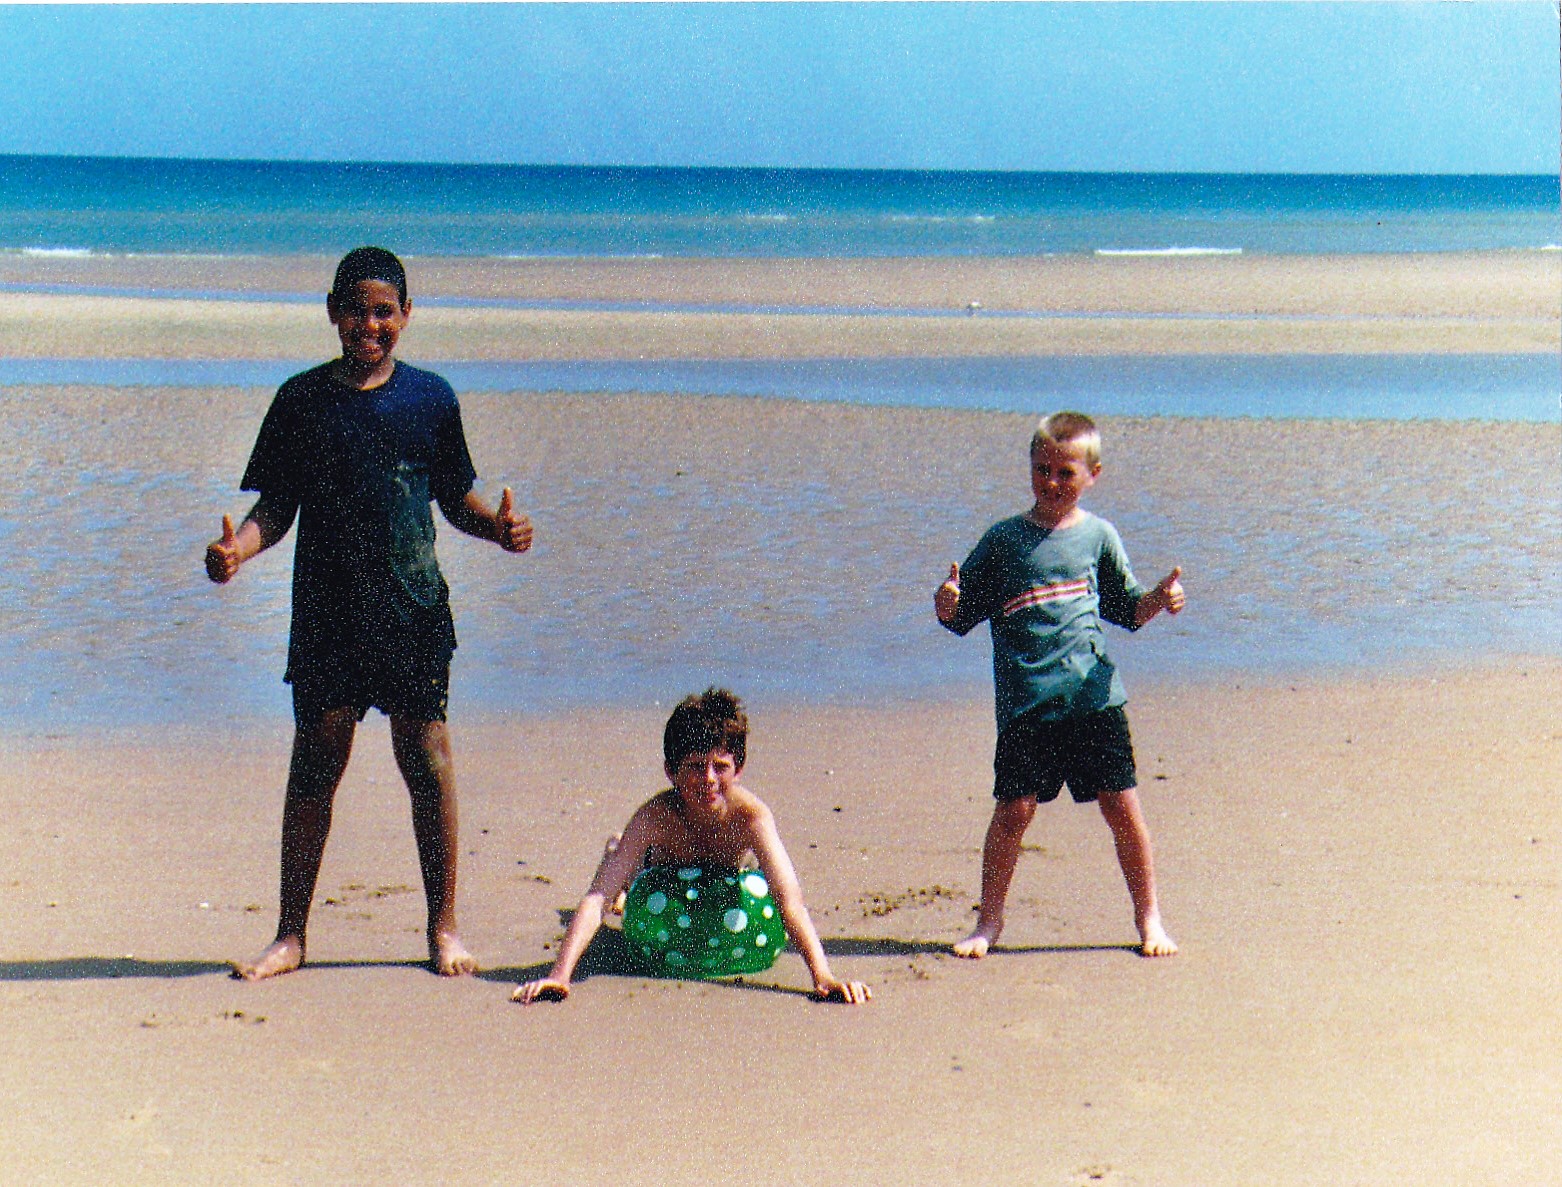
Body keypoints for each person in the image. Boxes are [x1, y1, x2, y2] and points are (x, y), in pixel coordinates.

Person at [206, 246, 534, 981]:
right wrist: (239, 554)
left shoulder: (431, 399)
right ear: (332, 310)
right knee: (315, 767)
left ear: (407, 317)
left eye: (385, 310)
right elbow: (275, 509)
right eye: (356, 308)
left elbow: (454, 502)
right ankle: (290, 934)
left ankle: (444, 927)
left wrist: (500, 530)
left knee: (428, 762)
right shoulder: (300, 401)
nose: (370, 323)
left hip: (413, 609)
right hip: (327, 615)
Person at [935, 411, 1182, 959]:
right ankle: (989, 922)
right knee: (1014, 812)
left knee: (1122, 806)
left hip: (1094, 701)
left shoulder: (1099, 537)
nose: (1051, 482)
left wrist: (1161, 600)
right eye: (1041, 469)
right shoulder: (1003, 540)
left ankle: (1149, 918)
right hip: (1027, 703)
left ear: (1093, 474)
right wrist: (946, 600)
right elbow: (959, 615)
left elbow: (1127, 610)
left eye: (1065, 473)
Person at [512, 688, 871, 1005]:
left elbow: (789, 900)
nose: (709, 780)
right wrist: (559, 975)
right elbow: (597, 897)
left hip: (729, 880)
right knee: (619, 864)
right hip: (660, 871)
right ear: (670, 771)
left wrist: (822, 976)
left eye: (721, 767)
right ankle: (620, 857)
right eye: (696, 767)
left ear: (739, 768)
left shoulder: (752, 817)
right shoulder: (655, 816)